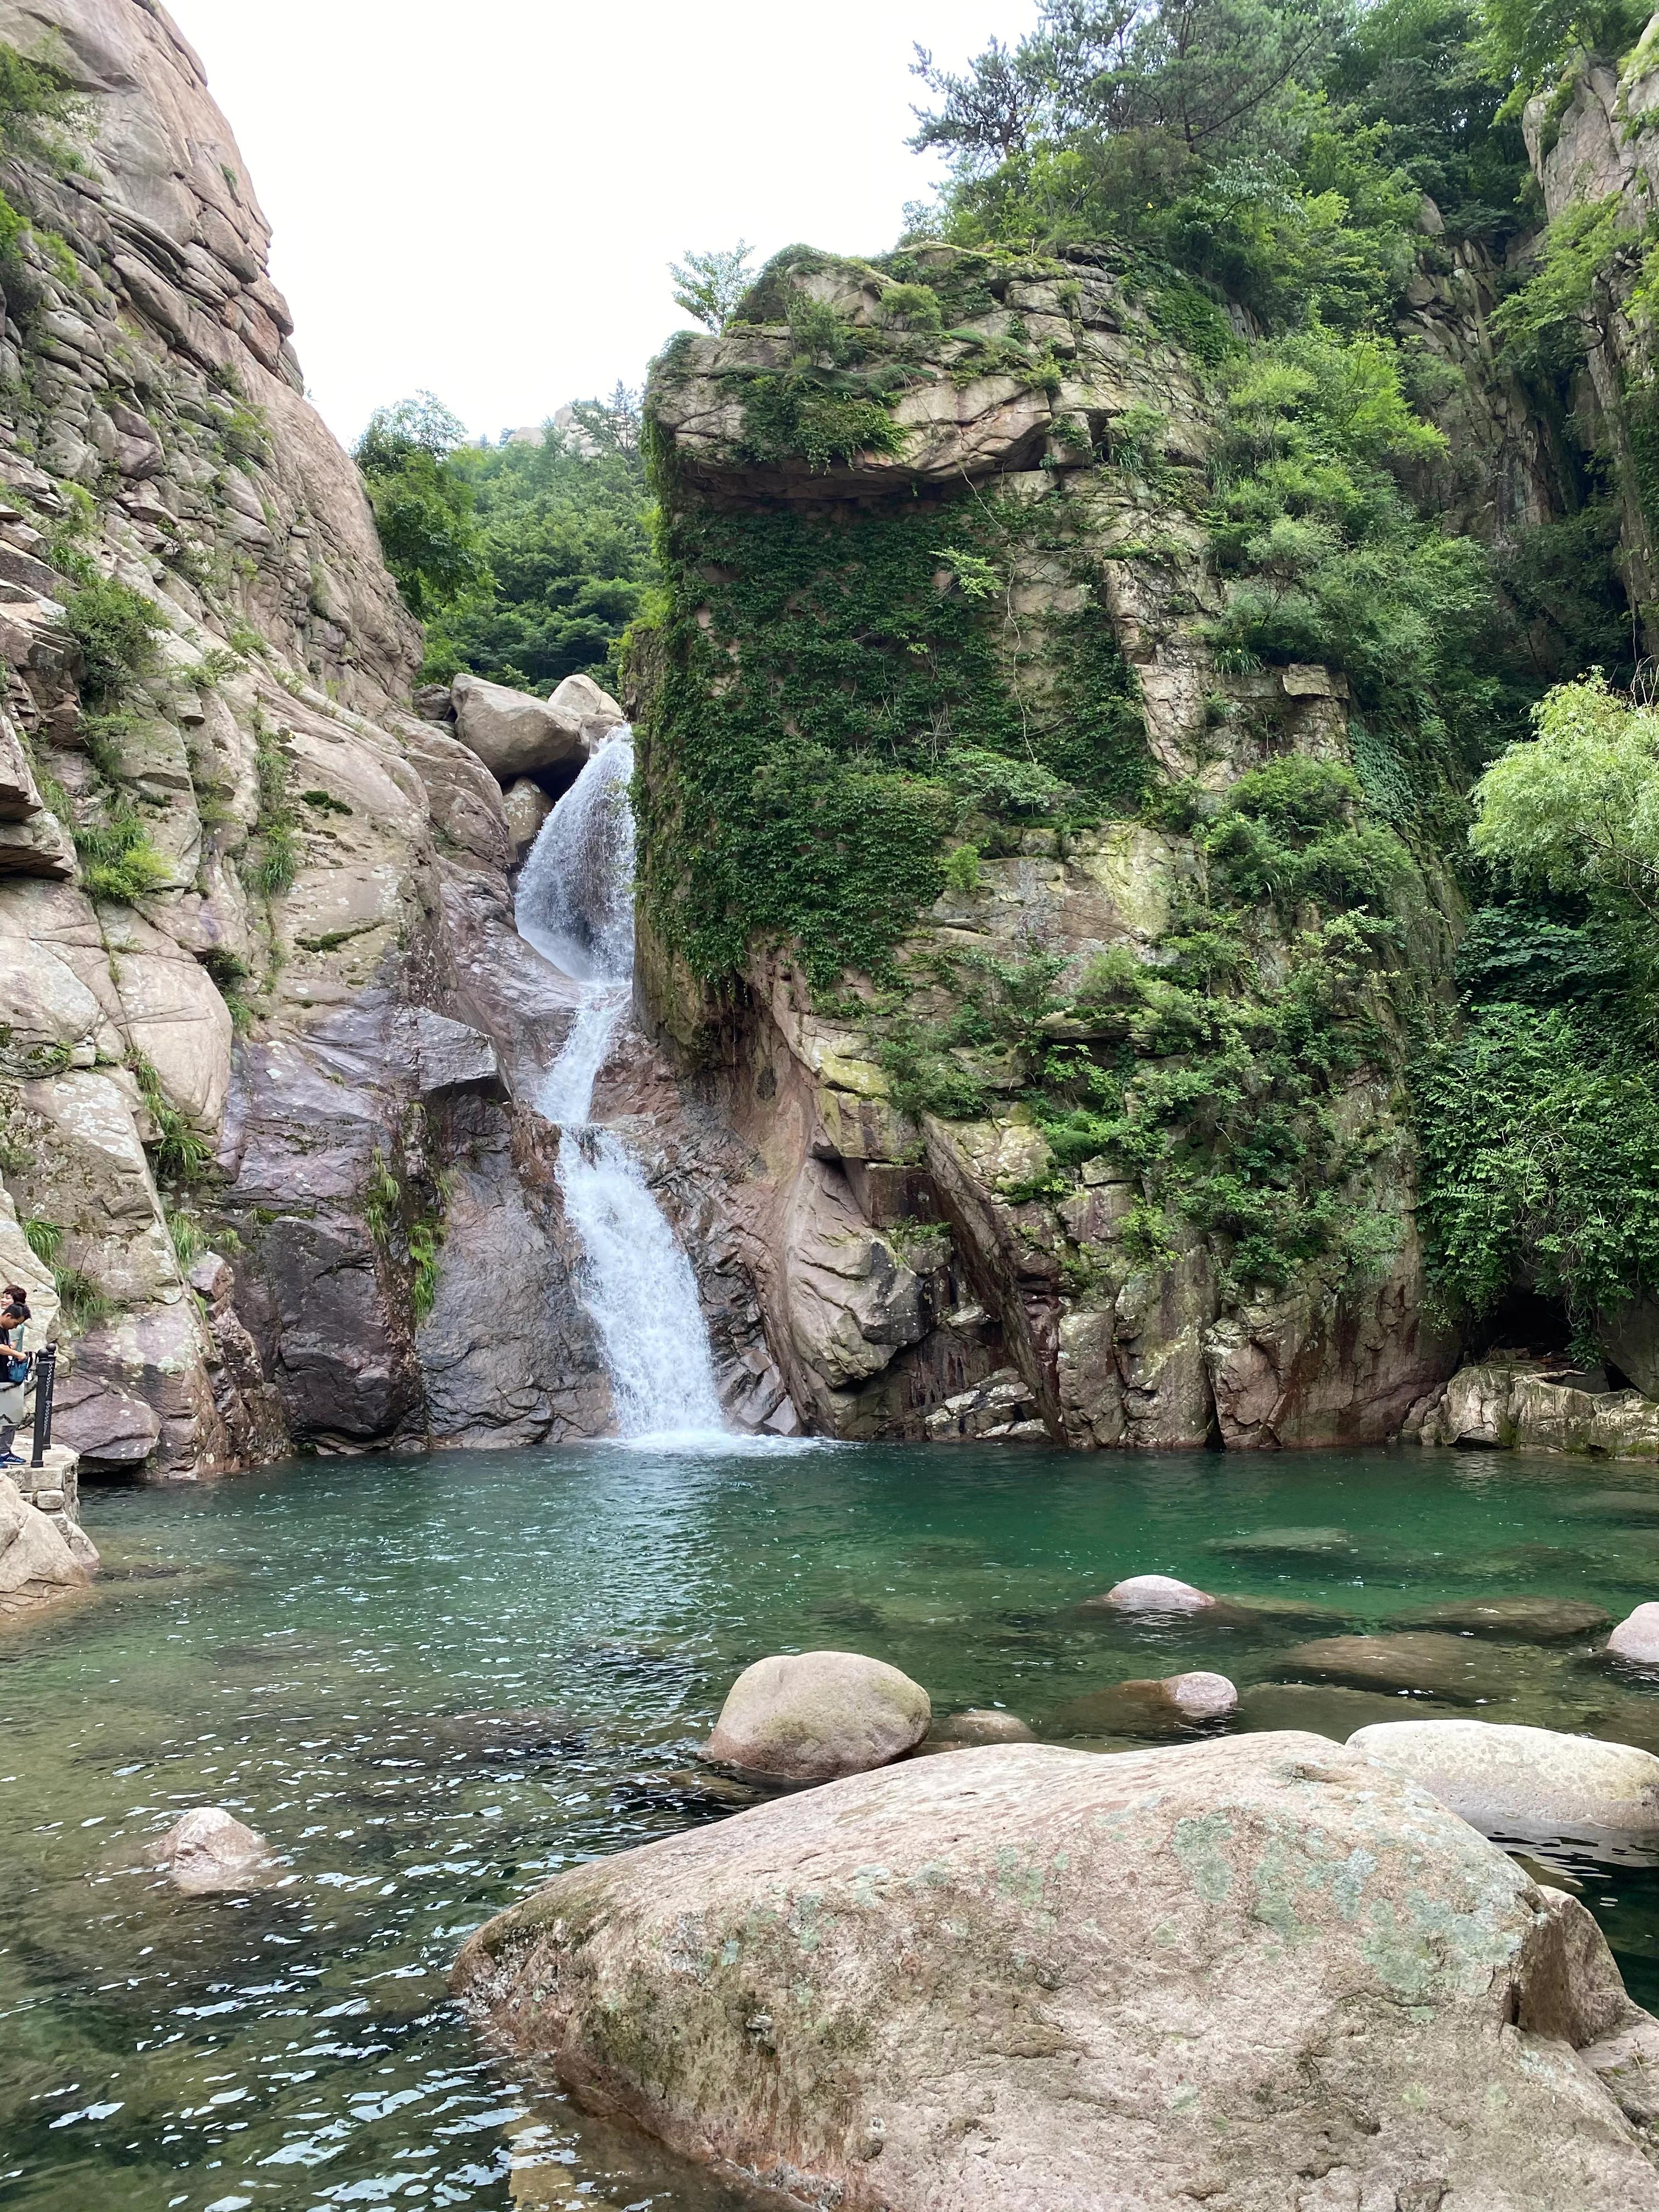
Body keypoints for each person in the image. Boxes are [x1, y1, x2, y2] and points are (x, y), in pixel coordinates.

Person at [0, 1294, 30, 1465]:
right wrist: (16, 1353)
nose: (15, 1327)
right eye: (16, 1324)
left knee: (11, 1416)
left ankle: (4, 1452)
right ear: (8, 1316)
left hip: (4, 1380)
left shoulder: (5, 1330)